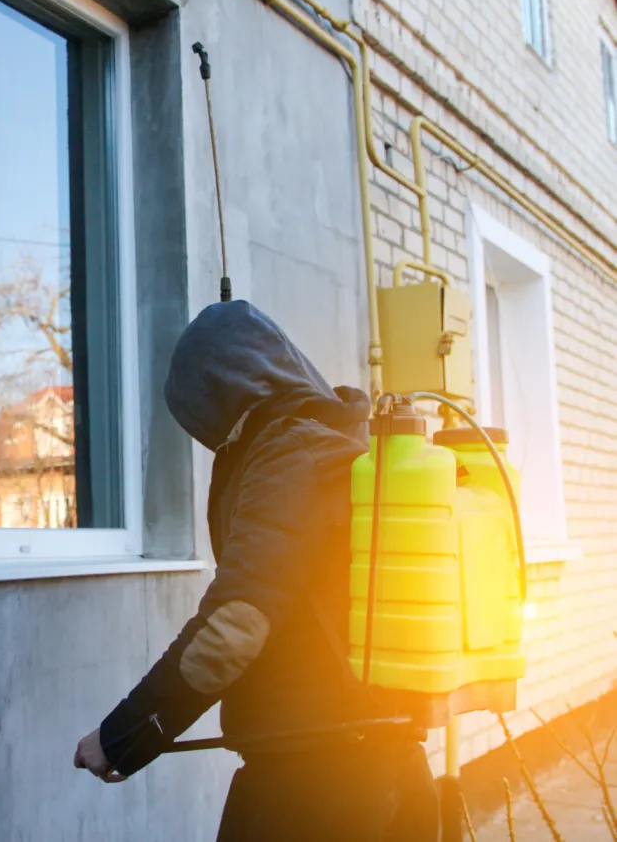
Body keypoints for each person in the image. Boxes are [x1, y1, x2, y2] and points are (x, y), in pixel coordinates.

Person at [74, 300, 439, 841]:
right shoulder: (333, 442)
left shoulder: (292, 456)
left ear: (221, 393)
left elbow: (233, 627)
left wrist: (121, 736)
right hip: (371, 766)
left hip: (319, 789)